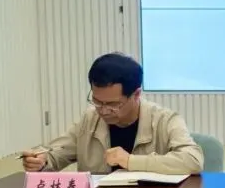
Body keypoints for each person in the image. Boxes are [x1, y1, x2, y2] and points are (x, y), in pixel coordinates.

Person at [21, 53, 204, 175]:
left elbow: (192, 160)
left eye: (113, 104)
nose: (103, 110)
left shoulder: (165, 120)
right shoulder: (89, 119)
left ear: (136, 94)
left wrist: (131, 161)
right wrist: (41, 161)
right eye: (97, 101)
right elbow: (56, 154)